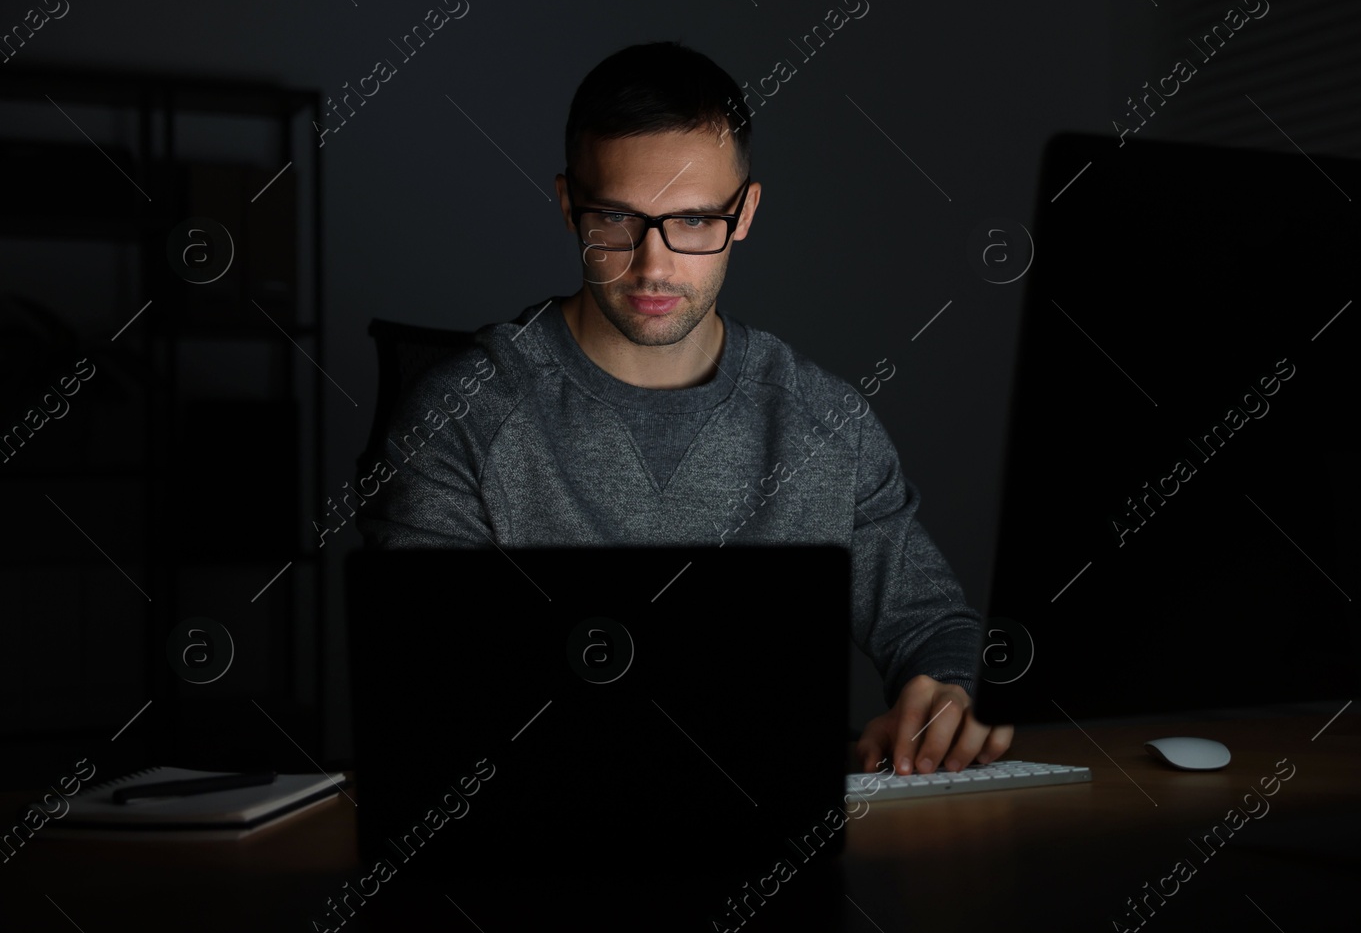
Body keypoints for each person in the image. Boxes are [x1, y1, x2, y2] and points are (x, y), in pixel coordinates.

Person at [358, 41, 1012, 777]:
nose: (655, 265)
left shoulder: (826, 423)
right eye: (618, 219)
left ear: (745, 214)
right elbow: (422, 691)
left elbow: (932, 626)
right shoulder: (461, 419)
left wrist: (942, 697)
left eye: (695, 221)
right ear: (569, 204)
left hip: (778, 849)